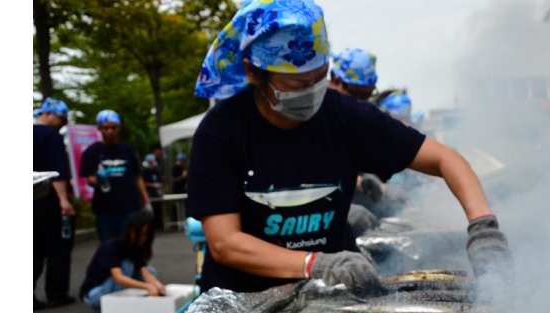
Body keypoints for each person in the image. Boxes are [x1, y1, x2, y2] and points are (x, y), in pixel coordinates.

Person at [187, 0, 511, 295]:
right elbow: (225, 243)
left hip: (325, 298)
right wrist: (314, 263)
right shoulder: (221, 131)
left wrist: (483, 228)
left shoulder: (346, 116)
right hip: (243, 301)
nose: (311, 91)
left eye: (319, 78)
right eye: (297, 84)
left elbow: (445, 159)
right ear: (252, 72)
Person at [79, 109, 153, 241]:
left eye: (113, 128)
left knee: (129, 244)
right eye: (106, 128)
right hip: (105, 210)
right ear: (99, 128)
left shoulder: (128, 150)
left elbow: (137, 177)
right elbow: (89, 179)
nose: (110, 131)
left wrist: (147, 201)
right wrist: (99, 181)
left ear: (119, 128)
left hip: (129, 207)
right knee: (109, 245)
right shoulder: (92, 152)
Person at [34, 97, 77, 309]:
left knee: (33, 247)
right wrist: (63, 200)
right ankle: (56, 293)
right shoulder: (51, 137)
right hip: (47, 198)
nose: (62, 124)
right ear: (48, 113)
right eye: (61, 118)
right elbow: (56, 172)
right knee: (58, 246)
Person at [79, 212, 167, 309]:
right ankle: (117, 305)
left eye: (147, 235)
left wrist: (158, 286)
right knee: (127, 266)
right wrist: (147, 286)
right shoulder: (110, 247)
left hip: (109, 287)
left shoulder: (137, 247)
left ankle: (126, 302)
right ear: (132, 231)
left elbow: (146, 274)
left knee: (151, 271)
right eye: (143, 234)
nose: (145, 238)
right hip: (94, 295)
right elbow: (119, 278)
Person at [142, 153, 165, 230]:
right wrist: (153, 185)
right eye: (152, 161)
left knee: (158, 210)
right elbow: (144, 183)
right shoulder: (145, 172)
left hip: (157, 193)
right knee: (151, 212)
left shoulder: (155, 171)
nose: (154, 162)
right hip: (150, 194)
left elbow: (159, 180)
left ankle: (159, 225)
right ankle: (151, 226)